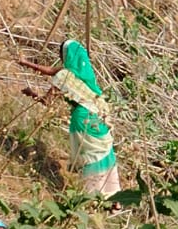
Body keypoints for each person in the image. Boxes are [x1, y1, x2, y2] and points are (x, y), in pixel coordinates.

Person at [18, 39, 120, 195]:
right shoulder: (85, 72)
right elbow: (50, 70)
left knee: (90, 156)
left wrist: (31, 93)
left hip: (82, 118)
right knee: (105, 153)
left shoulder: (64, 77)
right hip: (100, 117)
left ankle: (93, 195)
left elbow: (47, 101)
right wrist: (26, 63)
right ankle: (113, 197)